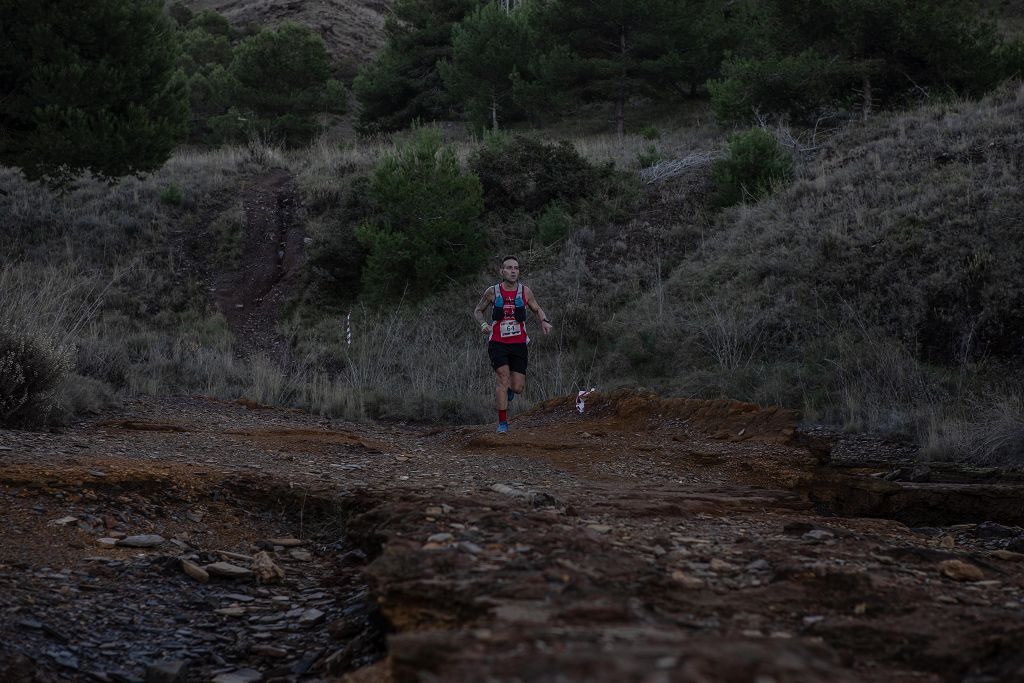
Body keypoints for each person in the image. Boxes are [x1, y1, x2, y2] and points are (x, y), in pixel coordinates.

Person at [473, 255, 553, 433]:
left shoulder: (525, 292)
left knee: (517, 387)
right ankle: (502, 422)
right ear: (502, 271)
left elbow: (537, 308)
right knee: (503, 379)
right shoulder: (492, 291)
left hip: (518, 344)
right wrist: (484, 324)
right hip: (498, 342)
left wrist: (544, 321)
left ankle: (510, 390)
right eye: (509, 268)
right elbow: (478, 310)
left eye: (516, 268)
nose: (513, 271)